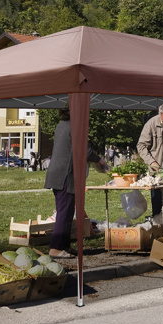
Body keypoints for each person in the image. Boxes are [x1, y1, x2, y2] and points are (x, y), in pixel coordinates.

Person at [44, 108, 107, 258]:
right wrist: (99, 160)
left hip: (59, 174)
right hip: (65, 175)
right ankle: (56, 248)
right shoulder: (74, 127)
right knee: (64, 212)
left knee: (66, 211)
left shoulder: (62, 125)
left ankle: (64, 245)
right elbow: (84, 149)